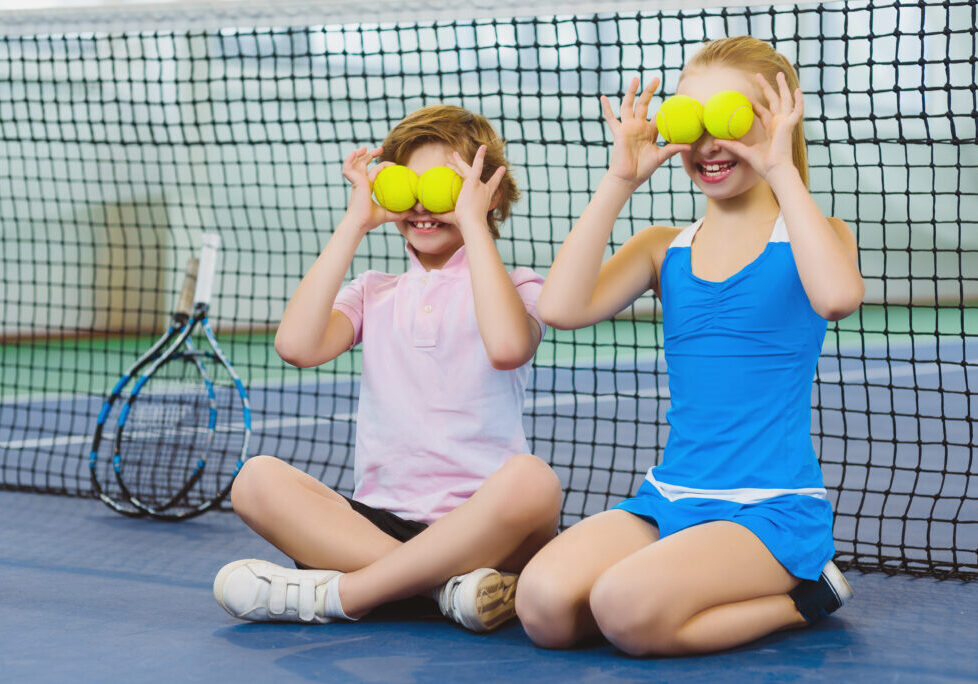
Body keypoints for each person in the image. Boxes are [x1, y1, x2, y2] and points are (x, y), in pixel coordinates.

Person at [515, 36, 864, 656]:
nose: (706, 143)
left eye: (728, 118)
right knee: (542, 607)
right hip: (669, 498)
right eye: (688, 119)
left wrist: (782, 167)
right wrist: (620, 179)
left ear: (776, 123)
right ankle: (662, 594)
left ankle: (803, 599)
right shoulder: (661, 246)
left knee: (624, 608)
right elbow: (561, 308)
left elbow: (837, 297)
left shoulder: (817, 235)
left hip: (770, 510)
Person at [212, 104, 561, 632]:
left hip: (483, 526)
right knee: (255, 480)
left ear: (486, 193)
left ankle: (346, 593)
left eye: (443, 187)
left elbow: (509, 346)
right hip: (375, 524)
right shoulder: (374, 290)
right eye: (406, 186)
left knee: (533, 482)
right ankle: (443, 590)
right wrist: (356, 221)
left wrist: (472, 220)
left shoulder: (519, 287)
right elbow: (297, 346)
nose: (422, 205)